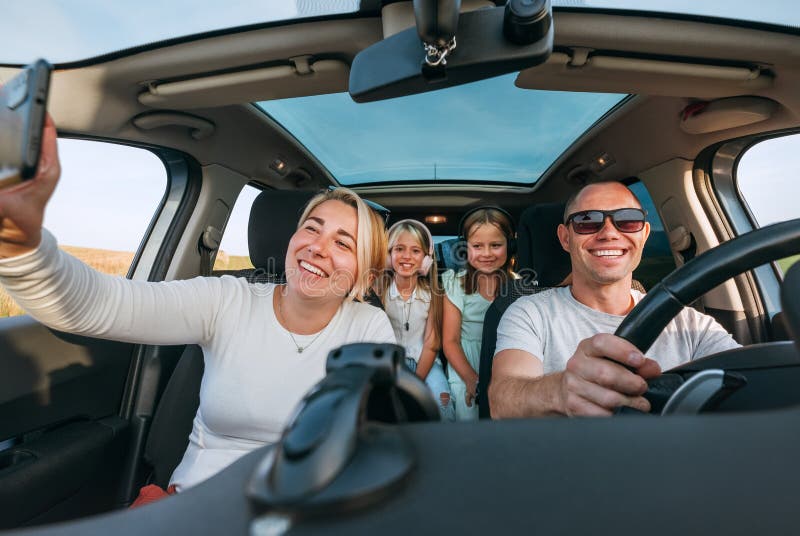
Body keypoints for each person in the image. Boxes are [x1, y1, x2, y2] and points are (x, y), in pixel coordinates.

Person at [0, 116, 396, 497]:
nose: (318, 247)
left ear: (363, 276)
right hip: (192, 505)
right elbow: (101, 305)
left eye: (344, 243)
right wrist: (21, 245)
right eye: (312, 228)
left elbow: (379, 444)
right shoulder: (227, 298)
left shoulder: (369, 328)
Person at [490, 181, 740, 418]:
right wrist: (560, 392)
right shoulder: (530, 312)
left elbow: (749, 382)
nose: (609, 232)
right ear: (566, 238)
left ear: (644, 234)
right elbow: (503, 401)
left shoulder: (690, 324)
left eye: (628, 221)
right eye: (587, 221)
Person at [374, 219, 455, 421]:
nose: (407, 257)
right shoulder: (379, 291)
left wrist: (415, 383)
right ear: (388, 255)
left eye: (416, 251)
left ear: (426, 260)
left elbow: (431, 344)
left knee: (443, 403)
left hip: (426, 363)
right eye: (399, 249)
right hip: (390, 363)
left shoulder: (433, 295)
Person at [442, 207, 517, 421]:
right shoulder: (455, 283)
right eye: (477, 246)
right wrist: (471, 379)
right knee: (469, 419)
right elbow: (450, 341)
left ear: (510, 246)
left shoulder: (521, 285)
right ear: (465, 248)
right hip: (466, 363)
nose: (486, 253)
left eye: (495, 245)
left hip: (506, 361)